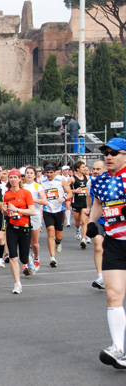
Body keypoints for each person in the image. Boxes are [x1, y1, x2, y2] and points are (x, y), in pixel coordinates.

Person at [86, 137, 126, 369]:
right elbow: (98, 205)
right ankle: (119, 349)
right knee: (113, 295)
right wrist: (93, 223)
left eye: (114, 152)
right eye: (106, 152)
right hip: (114, 242)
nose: (108, 156)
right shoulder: (99, 180)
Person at [2, 169, 36, 294]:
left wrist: (17, 209)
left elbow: (32, 211)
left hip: (24, 227)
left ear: (20, 179)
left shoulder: (26, 193)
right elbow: (6, 211)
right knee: (13, 257)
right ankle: (17, 283)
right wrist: (4, 210)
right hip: (11, 227)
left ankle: (29, 261)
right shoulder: (7, 194)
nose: (13, 180)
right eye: (10, 177)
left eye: (15, 177)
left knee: (23, 257)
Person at [40, 163, 72, 267]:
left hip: (59, 210)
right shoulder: (41, 181)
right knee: (50, 232)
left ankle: (58, 242)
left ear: (55, 172)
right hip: (47, 210)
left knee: (59, 236)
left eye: (51, 173)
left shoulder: (60, 180)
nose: (49, 175)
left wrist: (64, 198)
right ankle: (52, 257)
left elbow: (70, 193)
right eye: (47, 173)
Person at [86, 160, 107, 289]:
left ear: (105, 170)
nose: (95, 171)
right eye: (94, 169)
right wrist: (88, 207)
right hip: (99, 219)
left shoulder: (115, 181)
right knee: (98, 246)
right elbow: (90, 196)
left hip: (114, 219)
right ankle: (100, 277)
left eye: (98, 169)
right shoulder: (91, 182)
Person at [23, 166, 48, 274]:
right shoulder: (22, 186)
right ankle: (26, 261)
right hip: (23, 215)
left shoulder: (37, 186)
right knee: (24, 241)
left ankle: (36, 258)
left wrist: (32, 200)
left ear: (34, 175)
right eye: (27, 173)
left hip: (35, 214)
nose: (29, 175)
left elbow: (44, 201)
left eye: (31, 173)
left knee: (34, 243)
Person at [68, 161, 90, 248]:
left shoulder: (87, 178)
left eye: (85, 167)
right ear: (78, 169)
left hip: (85, 202)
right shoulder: (72, 179)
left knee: (85, 221)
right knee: (78, 222)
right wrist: (74, 191)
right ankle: (77, 229)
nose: (85, 169)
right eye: (83, 167)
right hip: (76, 202)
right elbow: (66, 189)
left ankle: (84, 239)